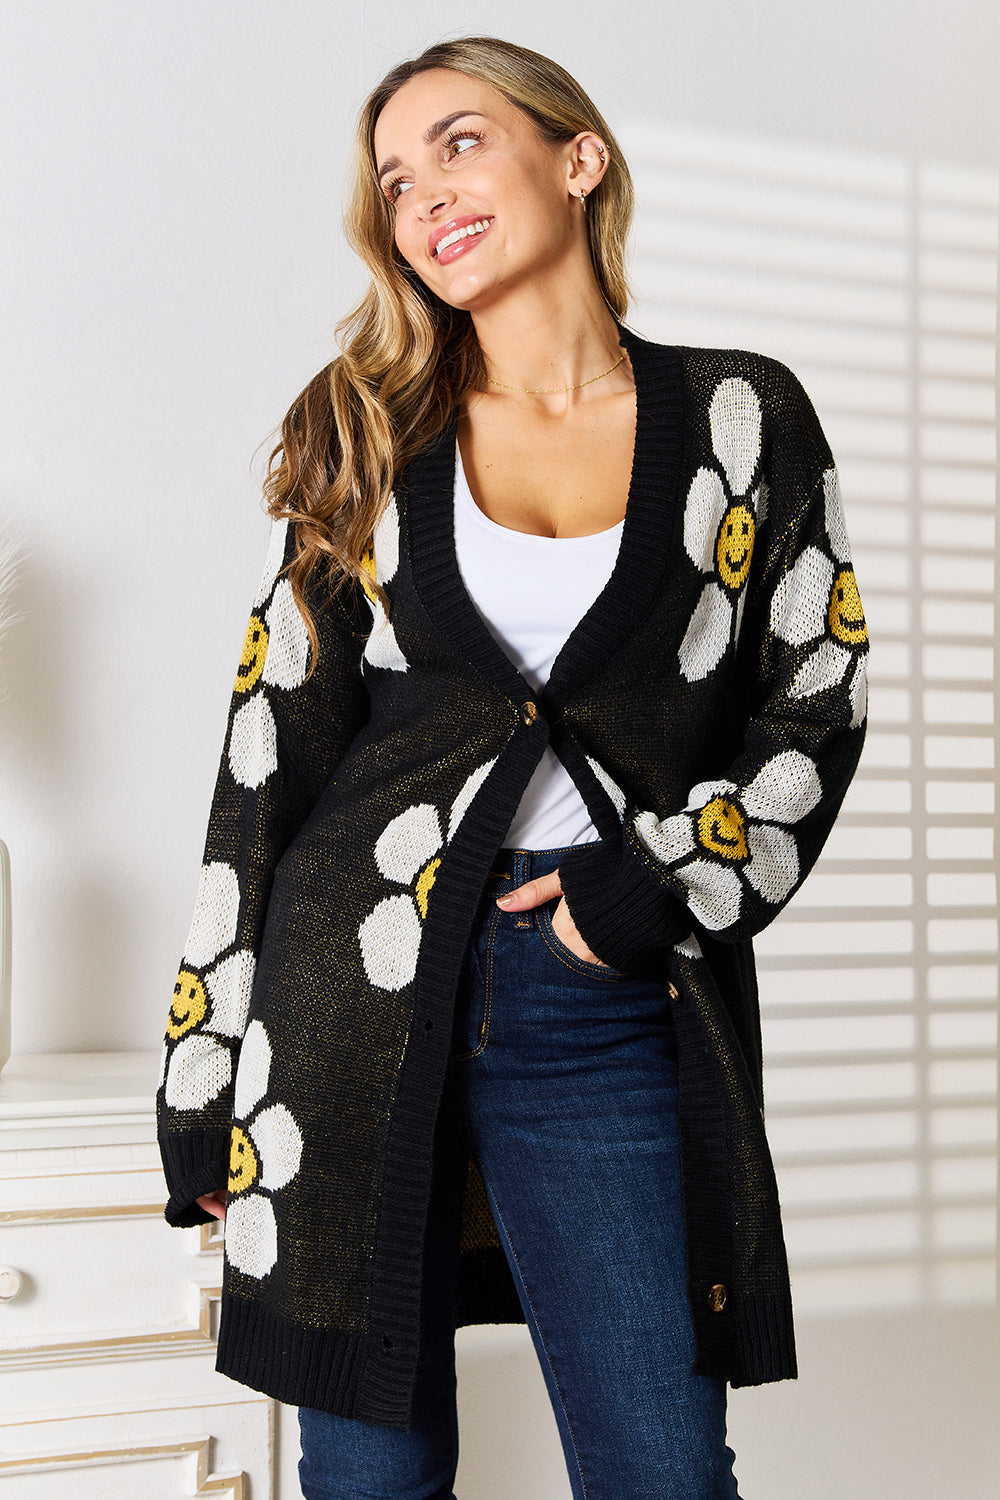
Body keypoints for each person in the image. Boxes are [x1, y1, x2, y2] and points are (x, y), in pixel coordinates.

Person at [156, 34, 869, 1500]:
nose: (427, 197)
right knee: (371, 1473)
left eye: (462, 145)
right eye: (397, 182)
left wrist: (644, 898)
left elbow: (819, 696)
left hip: (595, 999)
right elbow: (265, 763)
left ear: (576, 156)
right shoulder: (366, 431)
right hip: (343, 1003)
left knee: (661, 1469)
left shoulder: (740, 420)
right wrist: (204, 1072)